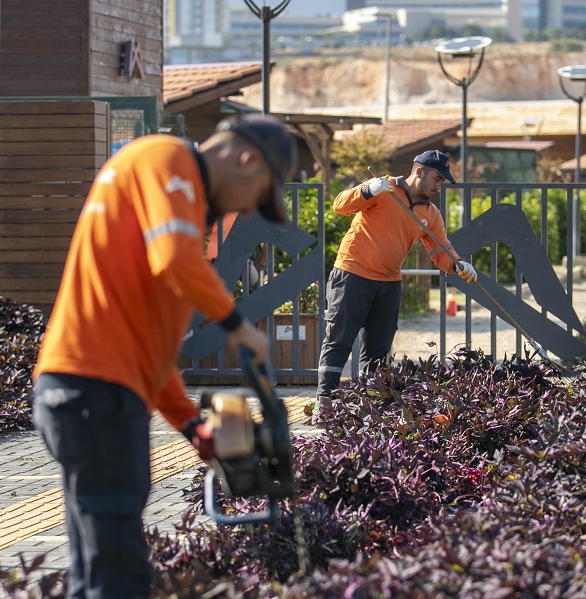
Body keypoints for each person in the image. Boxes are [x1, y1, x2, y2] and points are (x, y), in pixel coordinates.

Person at [31, 115, 297, 599]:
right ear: (246, 159)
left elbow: (151, 351)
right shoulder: (167, 158)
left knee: (99, 564)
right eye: (258, 196)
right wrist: (239, 328)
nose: (248, 209)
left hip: (94, 389)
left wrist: (192, 426)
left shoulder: (174, 218)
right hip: (94, 391)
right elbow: (174, 259)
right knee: (117, 571)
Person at [314, 150, 477, 422]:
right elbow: (340, 205)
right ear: (420, 172)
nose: (439, 186)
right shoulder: (383, 188)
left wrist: (458, 264)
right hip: (353, 274)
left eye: (443, 182)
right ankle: (325, 406)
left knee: (378, 352)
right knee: (338, 341)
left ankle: (369, 411)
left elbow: (440, 251)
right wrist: (367, 191)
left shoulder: (430, 213)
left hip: (389, 283)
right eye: (437, 179)